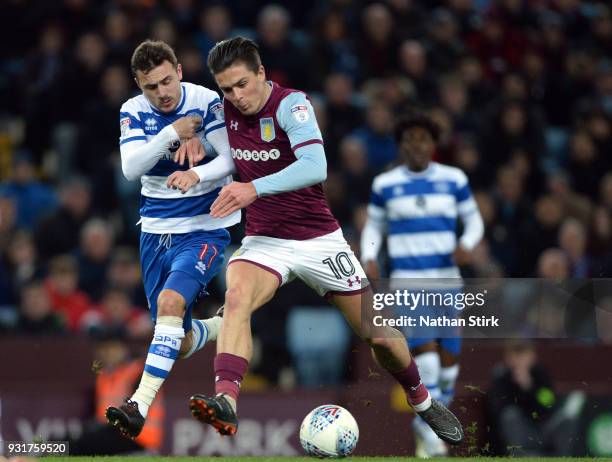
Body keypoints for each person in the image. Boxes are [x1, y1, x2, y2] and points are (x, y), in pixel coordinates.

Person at [165, 37, 464, 444]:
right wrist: (186, 144)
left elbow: (315, 165)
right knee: (236, 298)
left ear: (261, 75)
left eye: (242, 85)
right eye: (227, 89)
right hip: (265, 240)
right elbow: (188, 124)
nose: (236, 96)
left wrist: (253, 189)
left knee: (380, 337)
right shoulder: (222, 111)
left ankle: (422, 400)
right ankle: (227, 401)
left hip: (319, 240)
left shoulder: (292, 105)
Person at [105, 40, 240, 439]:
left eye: (167, 81)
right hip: (155, 231)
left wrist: (197, 174)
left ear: (179, 71)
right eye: (152, 86)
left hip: (206, 225)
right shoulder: (132, 110)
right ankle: (218, 327)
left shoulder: (206, 99)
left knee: (169, 301)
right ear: (138, 85)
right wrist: (172, 134)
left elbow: (230, 158)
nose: (162, 92)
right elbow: (131, 169)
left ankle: (138, 405)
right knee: (176, 342)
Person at [360, 113, 484, 456]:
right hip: (408, 284)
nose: (417, 144)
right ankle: (433, 440)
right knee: (426, 360)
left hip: (448, 283)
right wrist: (370, 254)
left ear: (433, 143)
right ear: (402, 145)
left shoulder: (454, 179)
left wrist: (467, 246)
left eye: (423, 138)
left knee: (449, 369)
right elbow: (373, 228)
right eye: (410, 138)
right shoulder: (385, 185)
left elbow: (475, 223)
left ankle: (424, 422)